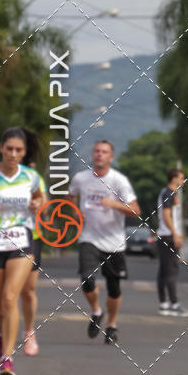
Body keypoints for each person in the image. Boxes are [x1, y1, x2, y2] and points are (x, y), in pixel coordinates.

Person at [69, 140, 140, 345]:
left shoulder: (119, 180)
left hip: (114, 243)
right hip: (88, 238)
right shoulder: (81, 178)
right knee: (86, 278)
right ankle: (96, 311)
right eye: (97, 151)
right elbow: (70, 196)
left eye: (104, 152)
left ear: (111, 157)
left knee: (114, 288)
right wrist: (75, 214)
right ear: (93, 155)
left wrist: (115, 204)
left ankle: (111, 325)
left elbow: (136, 210)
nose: (99, 154)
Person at [0, 128, 43, 375]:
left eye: (19, 150)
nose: (13, 154)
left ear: (24, 153)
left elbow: (40, 198)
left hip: (22, 241)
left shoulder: (31, 176)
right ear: (1, 147)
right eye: (9, 149)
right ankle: (4, 336)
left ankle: (7, 357)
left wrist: (37, 204)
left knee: (10, 297)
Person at [156, 168, 188, 317]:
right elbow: (166, 215)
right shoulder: (168, 193)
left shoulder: (169, 193)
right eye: (181, 178)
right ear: (174, 179)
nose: (183, 181)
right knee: (171, 271)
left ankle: (164, 304)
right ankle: (174, 305)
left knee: (164, 272)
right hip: (168, 236)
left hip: (165, 235)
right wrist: (175, 234)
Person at [20, 162, 47, 356]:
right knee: (4, 293)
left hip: (31, 238)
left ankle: (29, 331)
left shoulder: (35, 178)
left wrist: (37, 205)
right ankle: (4, 335)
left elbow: (44, 208)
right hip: (2, 238)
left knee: (28, 291)